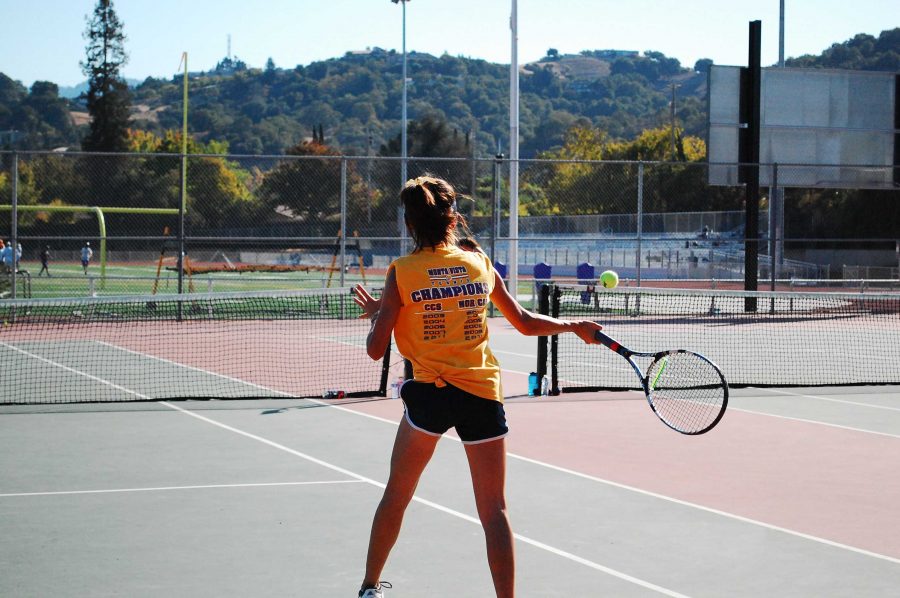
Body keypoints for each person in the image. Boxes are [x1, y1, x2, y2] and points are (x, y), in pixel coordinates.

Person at [352, 176, 602, 598]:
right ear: (453, 216)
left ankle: (369, 587)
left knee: (397, 493)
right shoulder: (478, 262)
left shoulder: (402, 272)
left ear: (410, 224)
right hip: (481, 394)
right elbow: (523, 321)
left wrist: (382, 313)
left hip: (429, 395)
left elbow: (377, 350)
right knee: (494, 511)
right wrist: (574, 326)